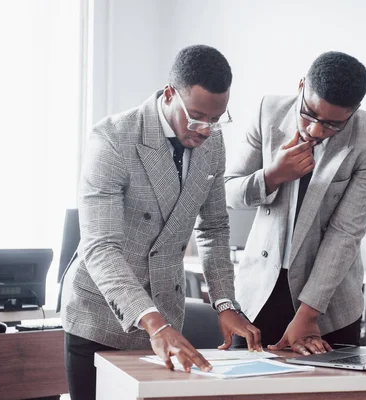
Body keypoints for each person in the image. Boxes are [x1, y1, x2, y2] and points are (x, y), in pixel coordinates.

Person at [60, 44, 261, 400]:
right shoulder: (113, 139)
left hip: (168, 316)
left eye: (217, 119)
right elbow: (101, 247)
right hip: (101, 317)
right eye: (198, 117)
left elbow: (214, 228)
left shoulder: (212, 142)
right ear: (169, 94)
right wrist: (154, 323)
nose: (206, 130)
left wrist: (226, 304)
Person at [224, 51, 366, 355]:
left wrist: (308, 314)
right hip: (258, 292)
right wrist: (272, 175)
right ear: (301, 86)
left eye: (331, 125)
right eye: (309, 115)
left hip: (328, 304)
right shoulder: (269, 111)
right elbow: (230, 192)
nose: (316, 130)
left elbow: (345, 233)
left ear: (353, 111)